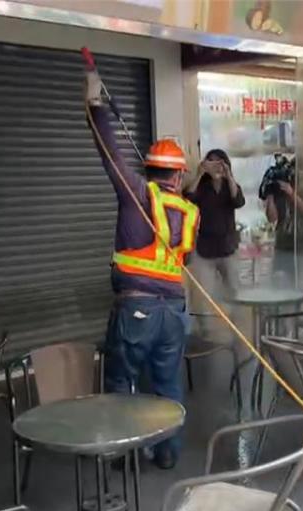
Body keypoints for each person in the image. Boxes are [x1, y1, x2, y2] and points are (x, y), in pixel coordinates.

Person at [85, 69, 199, 470]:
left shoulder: (136, 192)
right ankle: (167, 454)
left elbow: (108, 151)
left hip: (137, 311)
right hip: (174, 312)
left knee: (123, 384)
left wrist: (95, 105)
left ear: (149, 169)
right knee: (168, 385)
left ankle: (127, 457)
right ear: (179, 174)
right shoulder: (190, 211)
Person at [183, 148, 245, 299]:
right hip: (205, 248)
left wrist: (228, 175)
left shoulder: (230, 186)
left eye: (219, 162)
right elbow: (187, 198)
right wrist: (199, 173)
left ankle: (234, 321)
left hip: (228, 246)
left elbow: (238, 201)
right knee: (204, 294)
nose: (215, 166)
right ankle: (208, 321)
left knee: (234, 291)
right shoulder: (202, 187)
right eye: (211, 162)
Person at [259, 154, 303, 287]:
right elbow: (272, 218)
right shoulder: (280, 191)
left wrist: (292, 194)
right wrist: (270, 195)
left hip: (302, 245)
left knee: (300, 286)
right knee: (278, 285)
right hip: (282, 245)